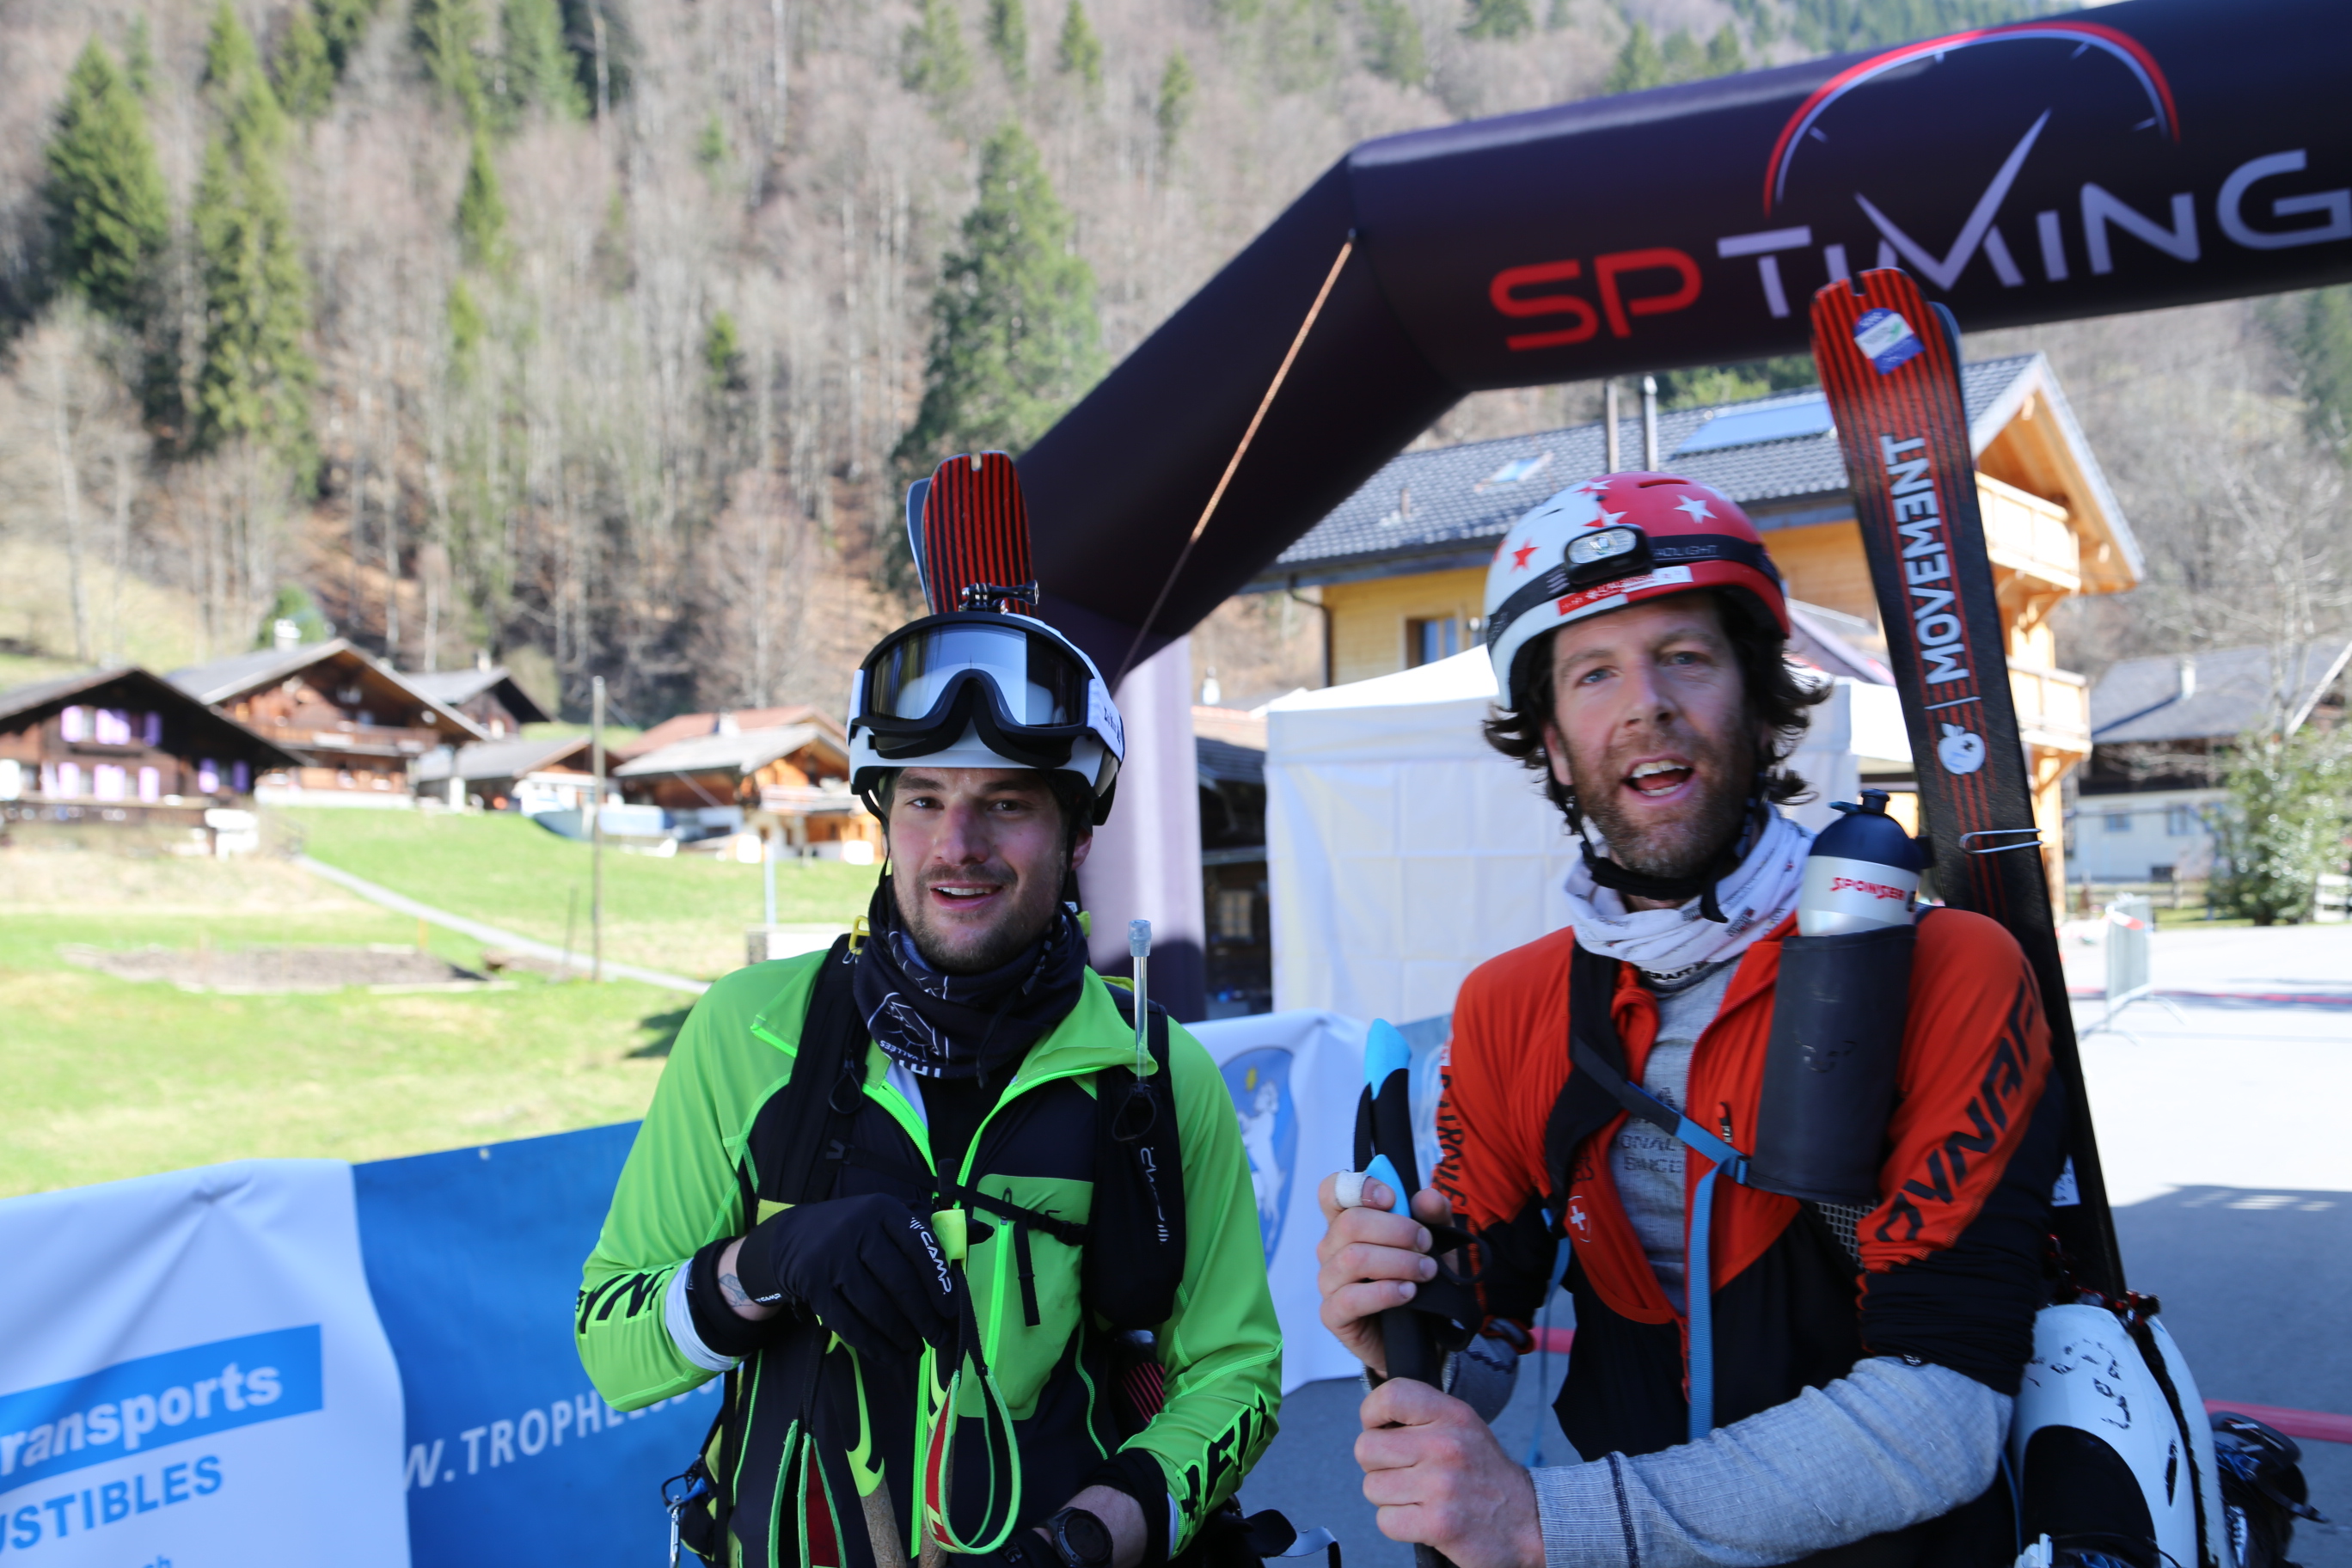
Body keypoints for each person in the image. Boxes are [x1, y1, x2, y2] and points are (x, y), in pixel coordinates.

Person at [1314, 471, 2065, 1568]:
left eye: (1686, 657)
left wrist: (1544, 1523)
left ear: (1760, 705)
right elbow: (1482, 1353)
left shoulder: (1948, 965)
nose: (1646, 704)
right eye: (1595, 673)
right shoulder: (1509, 1004)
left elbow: (1941, 1412)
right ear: (1554, 744)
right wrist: (1395, 1325)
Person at [579, 591, 1282, 1568]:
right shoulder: (750, 1030)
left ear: (1078, 834)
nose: (958, 846)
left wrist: (1093, 1535)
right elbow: (611, 1350)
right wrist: (763, 1263)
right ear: (883, 817)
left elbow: (1237, 1375)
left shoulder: (1154, 1072)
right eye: (924, 800)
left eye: (1007, 802)